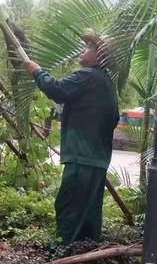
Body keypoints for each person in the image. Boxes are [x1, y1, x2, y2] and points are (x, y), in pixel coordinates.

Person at [23, 29, 119, 252]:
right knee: (89, 214)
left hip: (81, 159)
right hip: (97, 160)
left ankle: (57, 255)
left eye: (89, 48)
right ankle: (87, 256)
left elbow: (57, 89)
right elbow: (113, 118)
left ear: (100, 57)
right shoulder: (106, 84)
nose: (83, 51)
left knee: (69, 208)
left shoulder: (87, 76)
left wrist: (36, 71)